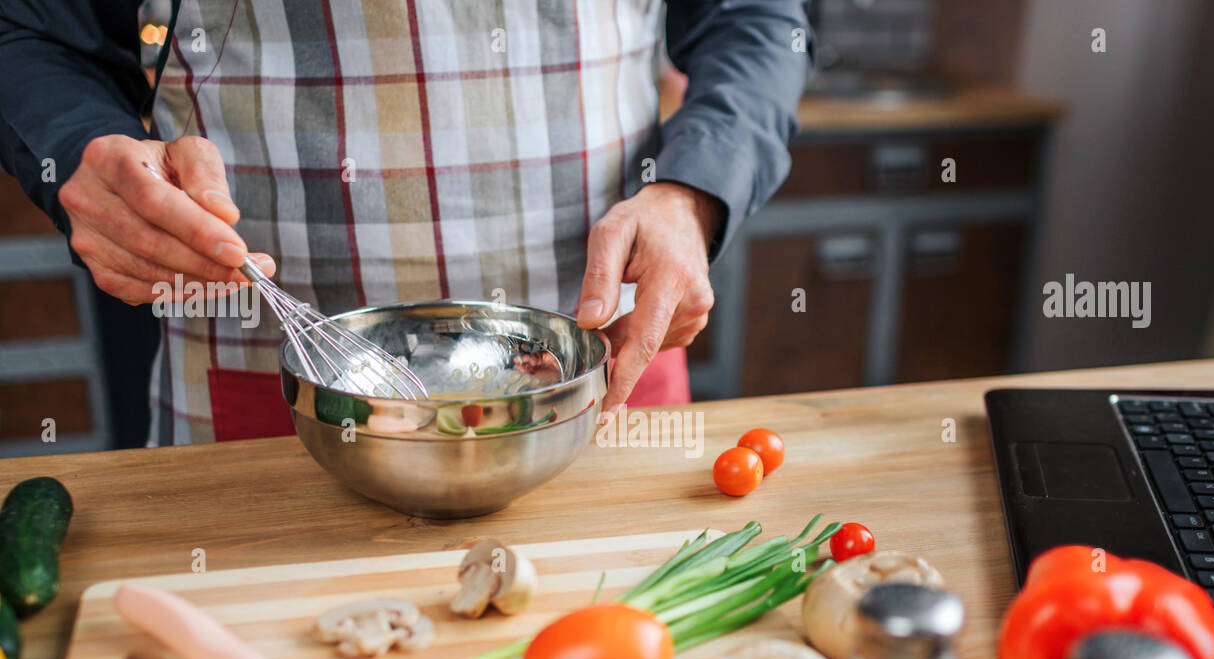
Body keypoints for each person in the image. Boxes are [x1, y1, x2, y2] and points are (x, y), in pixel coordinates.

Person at [0, 1, 811, 444]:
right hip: (271, 399)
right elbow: (27, 27)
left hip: (603, 373)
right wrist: (74, 145)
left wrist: (693, 191)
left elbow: (759, 14)